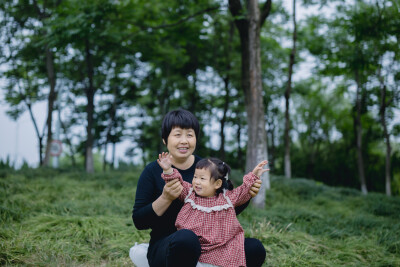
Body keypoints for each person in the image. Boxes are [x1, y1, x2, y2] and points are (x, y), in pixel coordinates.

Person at [131, 109, 266, 266]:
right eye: (177, 134)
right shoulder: (152, 171)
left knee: (254, 248)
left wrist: (247, 195)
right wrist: (165, 198)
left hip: (212, 246)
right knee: (186, 239)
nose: (184, 141)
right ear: (164, 139)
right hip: (169, 245)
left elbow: (225, 207)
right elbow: (139, 222)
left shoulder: (208, 168)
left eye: (189, 134)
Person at [157, 152, 269, 267]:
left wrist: (254, 175)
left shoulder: (227, 198)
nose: (197, 182)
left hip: (220, 249)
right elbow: (176, 182)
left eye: (202, 178)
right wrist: (168, 170)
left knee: (253, 247)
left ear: (217, 183)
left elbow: (244, 190)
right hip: (193, 248)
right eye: (195, 177)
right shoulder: (190, 193)